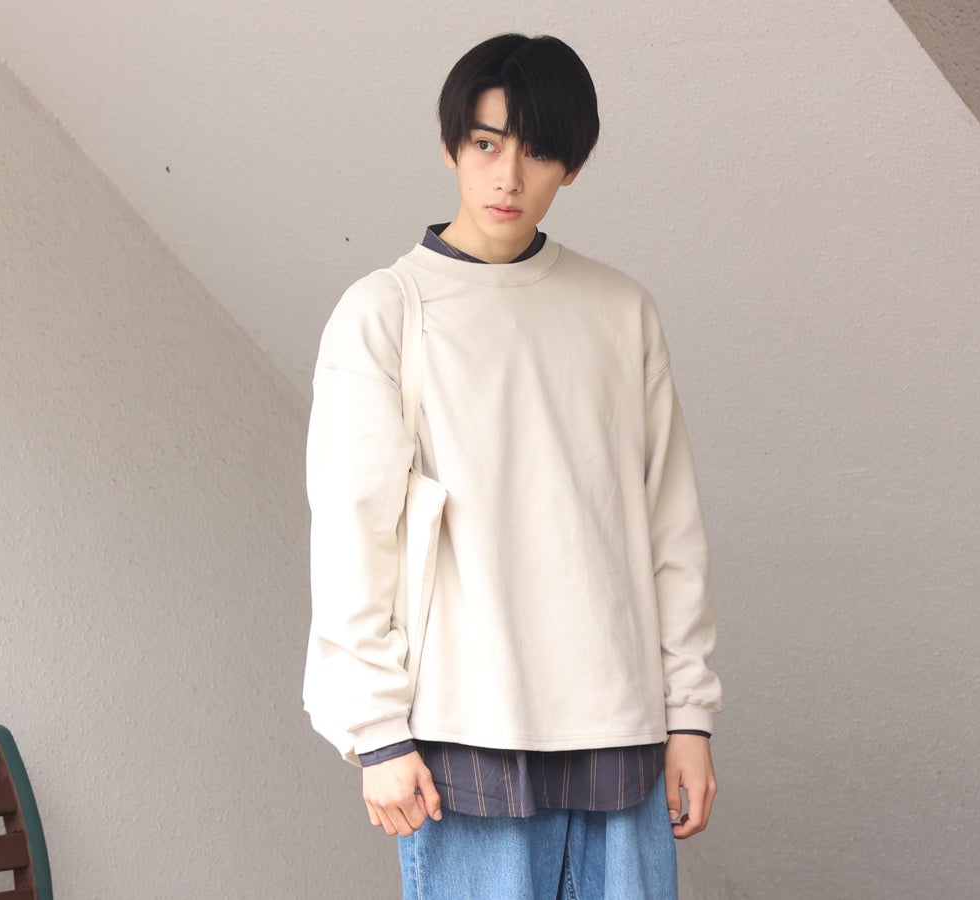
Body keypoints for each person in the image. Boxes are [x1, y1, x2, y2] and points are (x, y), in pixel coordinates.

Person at [302, 32, 724, 900]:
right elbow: (352, 535)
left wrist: (690, 716)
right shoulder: (386, 312)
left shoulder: (620, 311)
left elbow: (670, 529)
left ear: (572, 165)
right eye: (487, 144)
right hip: (463, 732)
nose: (507, 177)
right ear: (451, 146)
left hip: (621, 727)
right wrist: (376, 730)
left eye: (536, 152)